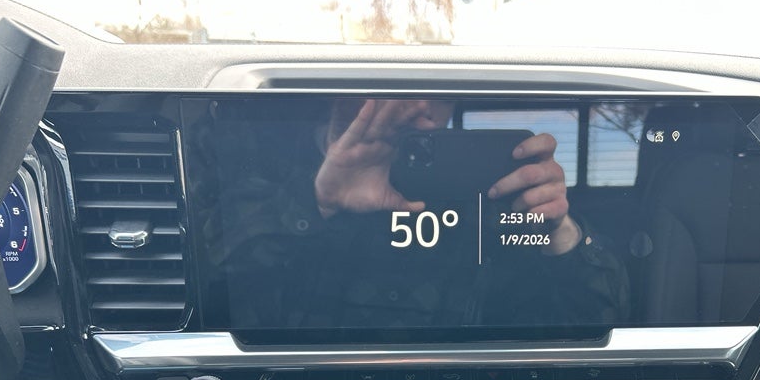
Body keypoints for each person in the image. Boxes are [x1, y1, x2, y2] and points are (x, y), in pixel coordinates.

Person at [213, 97, 629, 332]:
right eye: (396, 84)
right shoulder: (253, 162)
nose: (424, 107)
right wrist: (316, 201)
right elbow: (213, 295)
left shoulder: (494, 197)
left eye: (441, 90)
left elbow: (592, 326)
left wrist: (560, 235)